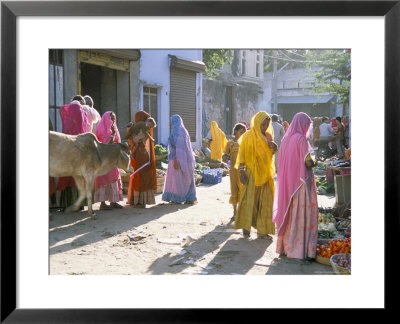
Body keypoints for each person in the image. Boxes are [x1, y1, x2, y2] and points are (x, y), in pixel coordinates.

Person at [272, 112, 318, 263]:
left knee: (289, 215)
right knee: (301, 216)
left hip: (288, 185)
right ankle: (299, 250)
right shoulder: (301, 139)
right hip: (301, 184)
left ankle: (285, 248)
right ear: (303, 125)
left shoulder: (286, 139)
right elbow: (308, 163)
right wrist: (315, 161)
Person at [234, 111, 277, 239]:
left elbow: (270, 154)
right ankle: (245, 227)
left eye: (267, 124)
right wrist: (242, 173)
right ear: (257, 123)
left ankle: (263, 230)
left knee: (266, 201)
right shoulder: (248, 136)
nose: (265, 127)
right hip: (252, 173)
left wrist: (274, 148)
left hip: (266, 174)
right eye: (263, 124)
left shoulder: (268, 136)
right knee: (249, 201)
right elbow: (241, 157)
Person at [56, 97, 90, 210]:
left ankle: (67, 204)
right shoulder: (77, 107)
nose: (83, 107)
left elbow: (67, 129)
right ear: (80, 102)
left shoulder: (73, 110)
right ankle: (78, 204)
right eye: (83, 104)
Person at [162, 115, 197, 205]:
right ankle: (185, 197)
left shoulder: (179, 132)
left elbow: (180, 147)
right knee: (181, 178)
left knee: (179, 179)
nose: (170, 123)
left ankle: (181, 197)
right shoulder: (179, 130)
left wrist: (177, 160)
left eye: (171, 121)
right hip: (179, 159)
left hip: (180, 159)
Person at [126, 111, 157, 208]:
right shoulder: (141, 127)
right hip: (141, 154)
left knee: (138, 175)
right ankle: (140, 201)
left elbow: (132, 140)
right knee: (140, 175)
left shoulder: (138, 127)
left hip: (138, 154)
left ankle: (136, 200)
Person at [94, 111, 124, 210]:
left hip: (113, 159)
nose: (113, 121)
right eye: (111, 118)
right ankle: (103, 204)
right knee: (104, 180)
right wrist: (113, 134)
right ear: (106, 118)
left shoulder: (113, 129)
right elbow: (105, 145)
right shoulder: (101, 130)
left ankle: (113, 201)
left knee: (114, 178)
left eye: (114, 119)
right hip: (104, 160)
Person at [222, 123, 247, 219]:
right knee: (234, 189)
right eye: (241, 132)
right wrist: (225, 157)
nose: (243, 134)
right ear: (236, 132)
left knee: (243, 189)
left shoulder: (246, 143)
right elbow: (225, 155)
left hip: (243, 170)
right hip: (233, 170)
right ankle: (235, 212)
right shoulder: (230, 143)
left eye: (244, 132)